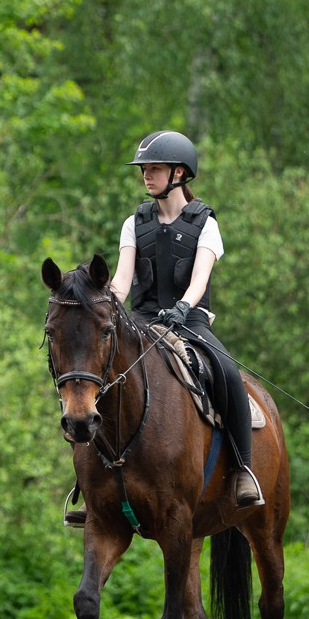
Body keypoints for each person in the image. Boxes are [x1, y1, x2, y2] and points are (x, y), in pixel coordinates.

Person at [109, 130, 263, 508]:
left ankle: (243, 469)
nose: (146, 175)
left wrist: (183, 307)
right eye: (144, 169)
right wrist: (106, 306)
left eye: (155, 169)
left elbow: (199, 280)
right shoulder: (135, 222)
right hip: (142, 322)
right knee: (98, 376)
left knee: (226, 371)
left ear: (179, 172)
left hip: (189, 322)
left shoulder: (205, 223)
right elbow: (121, 280)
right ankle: (89, 481)